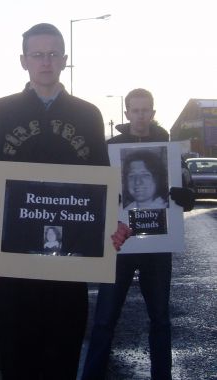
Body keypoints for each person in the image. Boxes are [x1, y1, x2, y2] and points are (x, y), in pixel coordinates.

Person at [0, 23, 131, 380]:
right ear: (23, 61)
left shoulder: (88, 115)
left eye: (54, 54)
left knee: (62, 358)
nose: (46, 62)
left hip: (68, 270)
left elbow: (101, 183)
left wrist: (110, 225)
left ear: (65, 60)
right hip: (11, 264)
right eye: (37, 55)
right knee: (17, 360)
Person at [82, 88, 194, 380]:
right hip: (119, 245)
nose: (141, 116)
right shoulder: (112, 147)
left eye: (146, 110)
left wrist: (187, 196)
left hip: (158, 246)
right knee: (105, 318)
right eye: (135, 110)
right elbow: (98, 190)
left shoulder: (167, 147)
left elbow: (184, 188)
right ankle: (93, 375)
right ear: (127, 113)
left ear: (153, 113)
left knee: (160, 319)